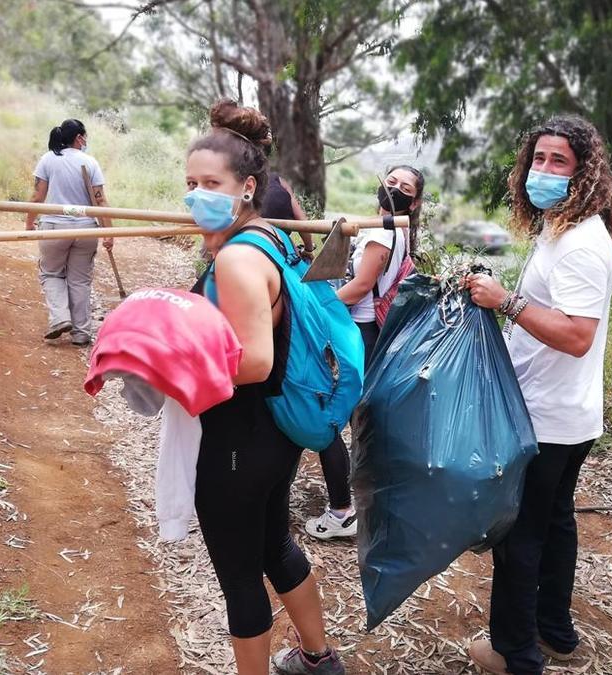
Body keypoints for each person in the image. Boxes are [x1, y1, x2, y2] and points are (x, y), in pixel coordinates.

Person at [187, 99, 345, 675]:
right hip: (274, 434)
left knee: (239, 574)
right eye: (190, 183)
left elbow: (252, 361)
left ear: (247, 185)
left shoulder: (236, 258)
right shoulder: (269, 236)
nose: (197, 194)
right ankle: (318, 657)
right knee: (275, 547)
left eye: (211, 183)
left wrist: (175, 371)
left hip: (238, 438)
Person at [462, 116, 612, 675]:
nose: (545, 171)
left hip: (547, 419)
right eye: (539, 159)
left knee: (518, 535)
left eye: (560, 162)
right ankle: (555, 632)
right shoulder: (560, 230)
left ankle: (515, 654)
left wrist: (505, 302)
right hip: (564, 414)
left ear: (585, 173)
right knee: (554, 524)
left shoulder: (581, 244)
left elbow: (577, 336)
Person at [303, 165, 425, 540]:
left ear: (415, 200)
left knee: (328, 416)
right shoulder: (397, 228)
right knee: (361, 420)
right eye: (391, 182)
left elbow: (360, 287)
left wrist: (314, 310)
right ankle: (375, 504)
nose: (395, 190)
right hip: (371, 332)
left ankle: (343, 509)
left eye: (405, 187)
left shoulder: (383, 231)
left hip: (360, 332)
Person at [25, 118, 113, 346]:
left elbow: (37, 196)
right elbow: (101, 201)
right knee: (80, 280)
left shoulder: (48, 159)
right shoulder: (90, 162)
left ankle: (60, 319)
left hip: (54, 228)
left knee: (51, 273)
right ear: (79, 138)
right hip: (85, 229)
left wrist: (29, 222)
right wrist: (108, 232)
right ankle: (82, 333)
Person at [259, 145, 314, 258]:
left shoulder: (237, 180)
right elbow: (302, 221)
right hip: (275, 240)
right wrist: (308, 250)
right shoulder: (279, 181)